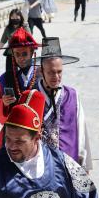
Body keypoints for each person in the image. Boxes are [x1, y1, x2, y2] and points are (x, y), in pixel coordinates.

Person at [36, 37, 93, 170]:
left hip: (68, 165)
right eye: (50, 72)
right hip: (40, 167)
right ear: (41, 71)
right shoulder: (32, 96)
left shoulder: (71, 95)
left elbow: (81, 131)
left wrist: (83, 165)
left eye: (59, 71)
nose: (56, 77)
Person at [0, 28, 41, 141]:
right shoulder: (5, 78)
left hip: (39, 130)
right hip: (14, 132)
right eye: (17, 54)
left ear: (32, 52)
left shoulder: (42, 74)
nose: (21, 58)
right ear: (13, 55)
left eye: (24, 53)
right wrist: (3, 102)